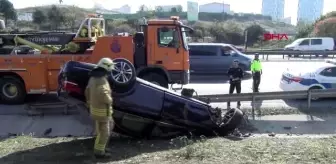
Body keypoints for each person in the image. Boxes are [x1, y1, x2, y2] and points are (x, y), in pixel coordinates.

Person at [85, 58, 115, 158]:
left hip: (95, 109)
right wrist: (109, 100)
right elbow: (102, 93)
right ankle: (99, 152)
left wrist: (89, 102)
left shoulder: (93, 78)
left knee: (109, 126)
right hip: (102, 111)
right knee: (104, 132)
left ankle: (103, 147)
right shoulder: (101, 79)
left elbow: (87, 91)